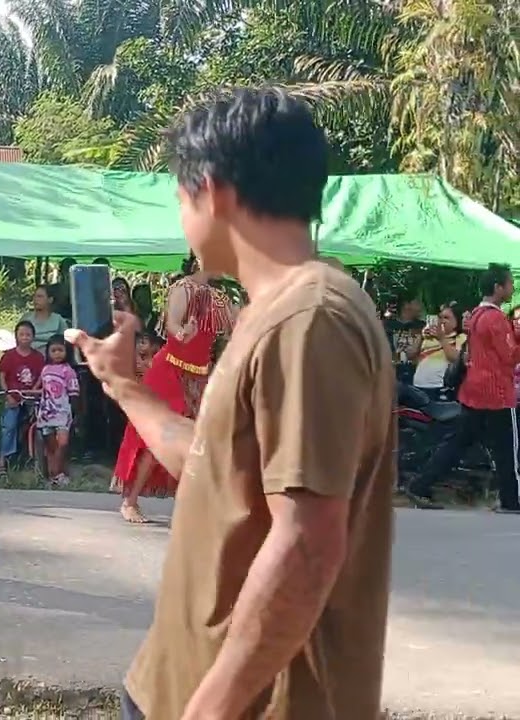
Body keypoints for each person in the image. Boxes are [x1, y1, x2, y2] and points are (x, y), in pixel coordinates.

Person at [67, 87, 395, 720]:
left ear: (211, 191)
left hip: (249, 703)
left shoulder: (310, 319)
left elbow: (307, 543)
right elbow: (213, 466)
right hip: (180, 679)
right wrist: (124, 385)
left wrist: (210, 707)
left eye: (179, 195)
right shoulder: (268, 313)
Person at [111, 252, 236, 524]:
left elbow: (235, 328)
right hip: (169, 372)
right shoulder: (183, 288)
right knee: (160, 439)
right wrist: (182, 332)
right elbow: (172, 324)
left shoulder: (220, 298)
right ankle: (130, 502)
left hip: (199, 376)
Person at [406, 263, 520, 513]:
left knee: (458, 442)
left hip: (474, 390)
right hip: (497, 392)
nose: (512, 288)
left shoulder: (476, 315)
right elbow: (510, 356)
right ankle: (511, 501)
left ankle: (420, 485)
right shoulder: (495, 319)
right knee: (506, 449)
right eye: (510, 283)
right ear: (498, 287)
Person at [0, 320, 45, 472]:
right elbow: (3, 377)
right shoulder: (9, 356)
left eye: (28, 334)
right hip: (14, 398)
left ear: (33, 337)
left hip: (32, 398)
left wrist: (34, 390)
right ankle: (2, 461)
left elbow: (41, 377)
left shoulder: (38, 357)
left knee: (40, 426)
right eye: (21, 334)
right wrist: (8, 395)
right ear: (16, 336)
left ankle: (38, 461)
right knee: (9, 426)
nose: (25, 337)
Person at [35, 334, 80, 487]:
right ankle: (54, 476)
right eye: (53, 351)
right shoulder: (45, 369)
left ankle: (58, 471)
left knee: (63, 443)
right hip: (46, 414)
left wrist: (75, 412)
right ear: (48, 352)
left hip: (63, 414)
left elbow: (74, 394)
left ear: (67, 351)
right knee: (51, 446)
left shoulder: (69, 371)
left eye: (60, 350)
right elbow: (40, 388)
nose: (57, 354)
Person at [411, 301, 465, 394]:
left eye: (446, 318)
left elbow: (455, 358)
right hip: (418, 386)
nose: (442, 321)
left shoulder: (461, 337)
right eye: (440, 317)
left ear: (456, 321)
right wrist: (421, 336)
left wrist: (442, 338)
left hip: (439, 387)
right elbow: (410, 355)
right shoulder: (429, 337)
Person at [19, 285, 69, 352]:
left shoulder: (58, 321)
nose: (35, 299)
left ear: (50, 300)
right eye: (34, 296)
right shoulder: (26, 318)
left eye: (40, 296)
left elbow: (65, 343)